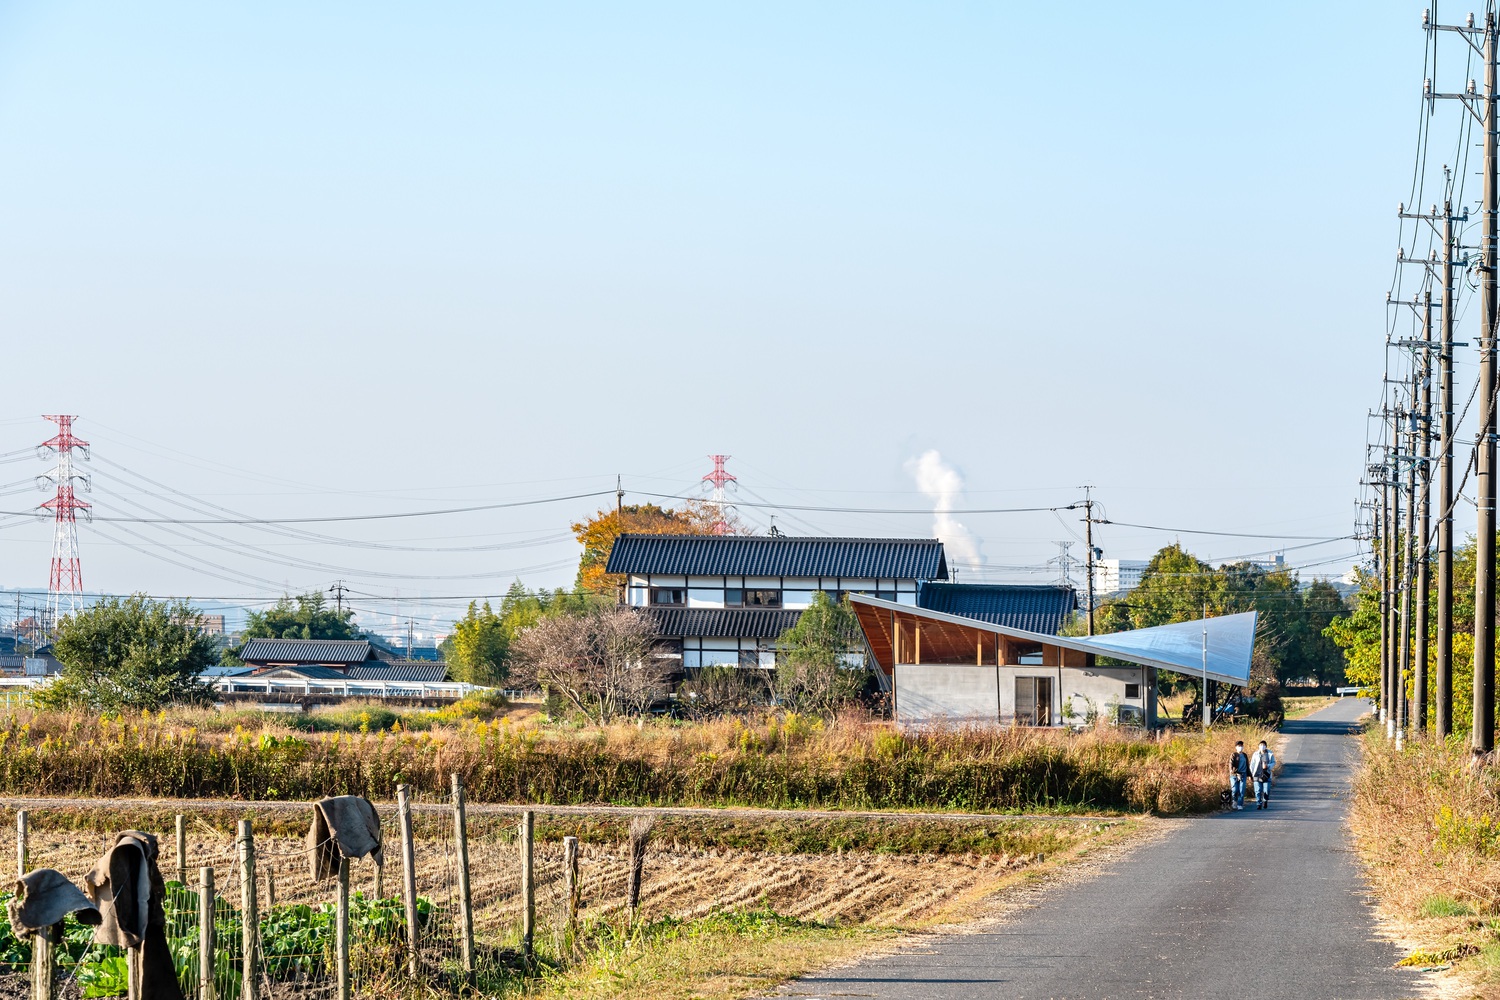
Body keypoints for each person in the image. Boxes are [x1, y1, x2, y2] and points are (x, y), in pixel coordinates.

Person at [1249, 740, 1274, 810]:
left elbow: (1273, 762)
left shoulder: (1270, 754)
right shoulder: (1255, 754)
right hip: (1257, 774)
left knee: (1267, 790)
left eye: (1263, 745)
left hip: (1266, 774)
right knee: (1258, 790)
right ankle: (1259, 803)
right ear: (1258, 746)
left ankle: (1265, 801)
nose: (1262, 746)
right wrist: (1250, 774)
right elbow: (1252, 764)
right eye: (1260, 745)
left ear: (1266, 746)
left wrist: (1268, 766)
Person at [1229, 740, 1250, 811]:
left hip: (1243, 774)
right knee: (1235, 790)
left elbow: (1247, 765)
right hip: (1234, 775)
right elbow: (1231, 764)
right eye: (1238, 746)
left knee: (1241, 790)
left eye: (1241, 746)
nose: (1240, 747)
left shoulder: (1244, 755)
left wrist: (1250, 775)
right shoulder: (1234, 755)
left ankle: (1240, 804)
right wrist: (1232, 771)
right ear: (1236, 747)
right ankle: (1234, 801)